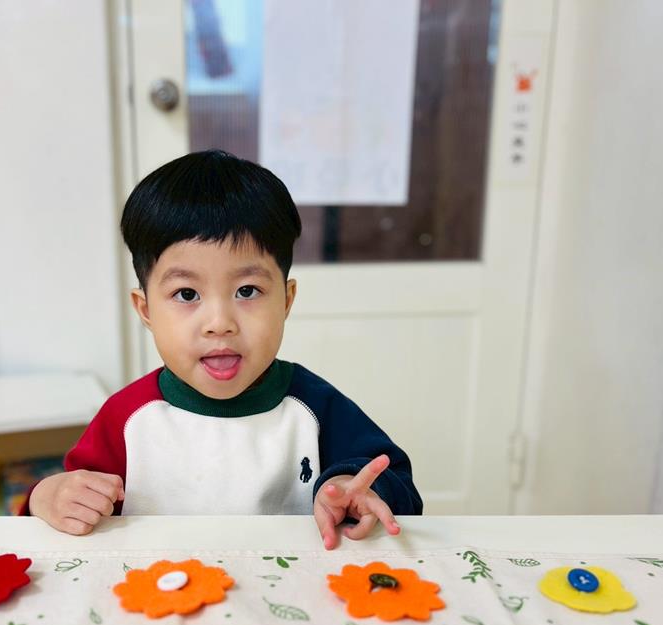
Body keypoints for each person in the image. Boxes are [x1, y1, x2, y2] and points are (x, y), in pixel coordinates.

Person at [23, 150, 422, 549]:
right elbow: (69, 506)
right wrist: (45, 497)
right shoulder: (127, 418)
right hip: (157, 586)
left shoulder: (314, 406)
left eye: (247, 291)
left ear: (286, 300)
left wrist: (353, 490)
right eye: (186, 294)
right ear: (146, 310)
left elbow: (395, 484)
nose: (219, 322)